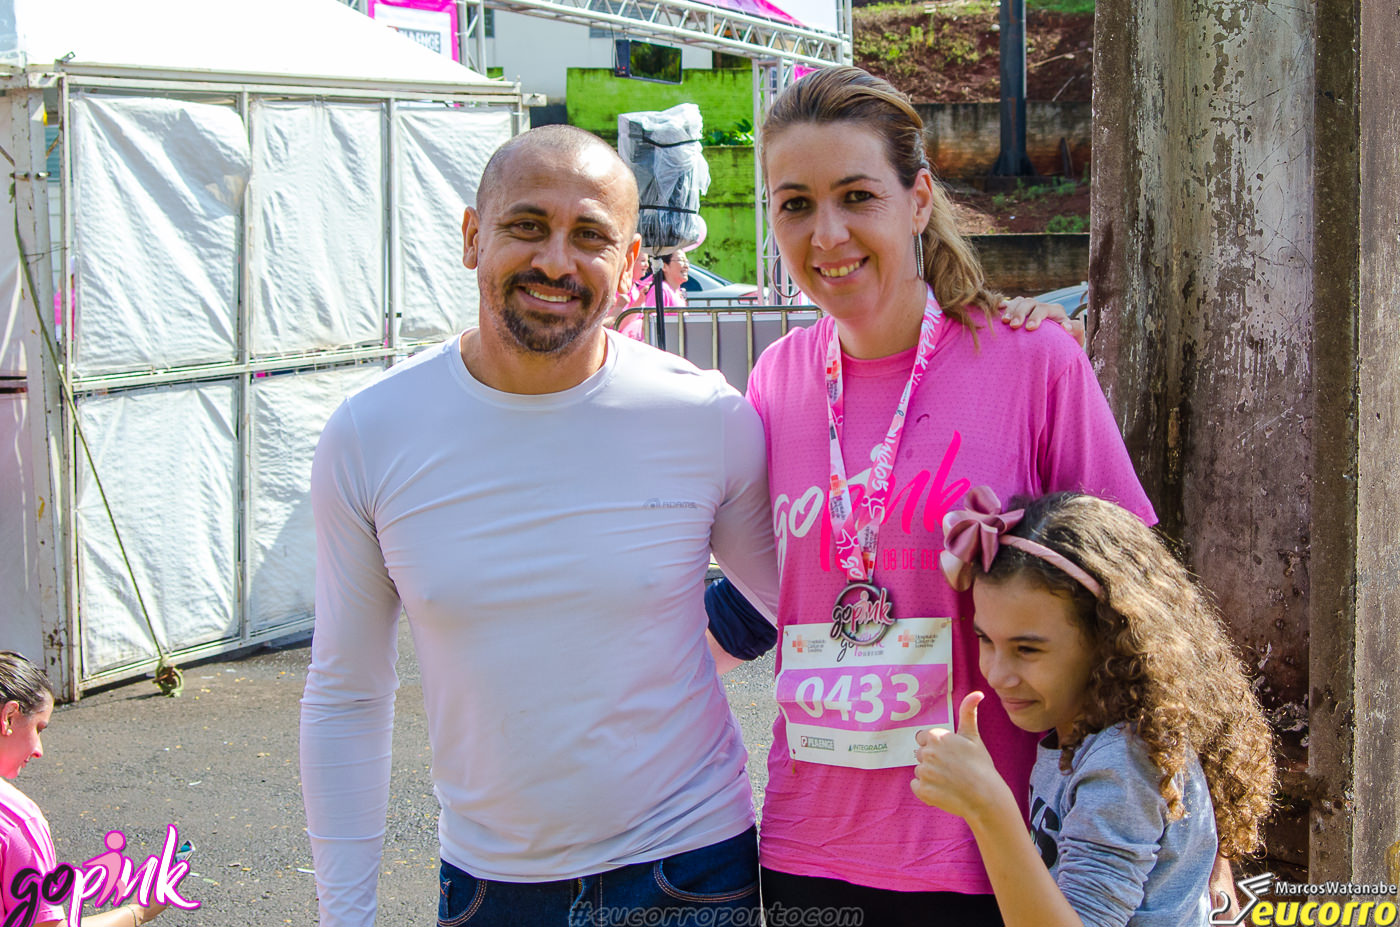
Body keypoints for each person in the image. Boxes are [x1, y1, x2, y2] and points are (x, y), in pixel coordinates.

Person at [299, 124, 781, 927]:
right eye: (527, 225)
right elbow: (347, 692)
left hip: (689, 865)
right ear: (472, 237)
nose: (556, 261)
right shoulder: (371, 432)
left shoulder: (703, 415)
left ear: (630, 264)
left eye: (590, 236)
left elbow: (793, 598)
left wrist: (682, 657)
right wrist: (344, 916)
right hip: (491, 883)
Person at [716, 66, 1159, 925]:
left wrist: (1179, 806)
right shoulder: (776, 379)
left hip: (984, 850)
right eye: (795, 204)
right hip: (809, 848)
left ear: (918, 200)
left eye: (857, 196)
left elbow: (1136, 605)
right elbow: (772, 593)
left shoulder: (1032, 361)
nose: (827, 234)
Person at [913, 490, 1275, 927]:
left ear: (1109, 640)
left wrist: (986, 806)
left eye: (1027, 649)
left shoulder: (1122, 763)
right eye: (985, 639)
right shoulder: (1084, 737)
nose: (997, 674)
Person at [1, 652, 170, 927]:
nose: (39, 750)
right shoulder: (18, 822)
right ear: (9, 717)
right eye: (39, 728)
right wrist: (140, 911)